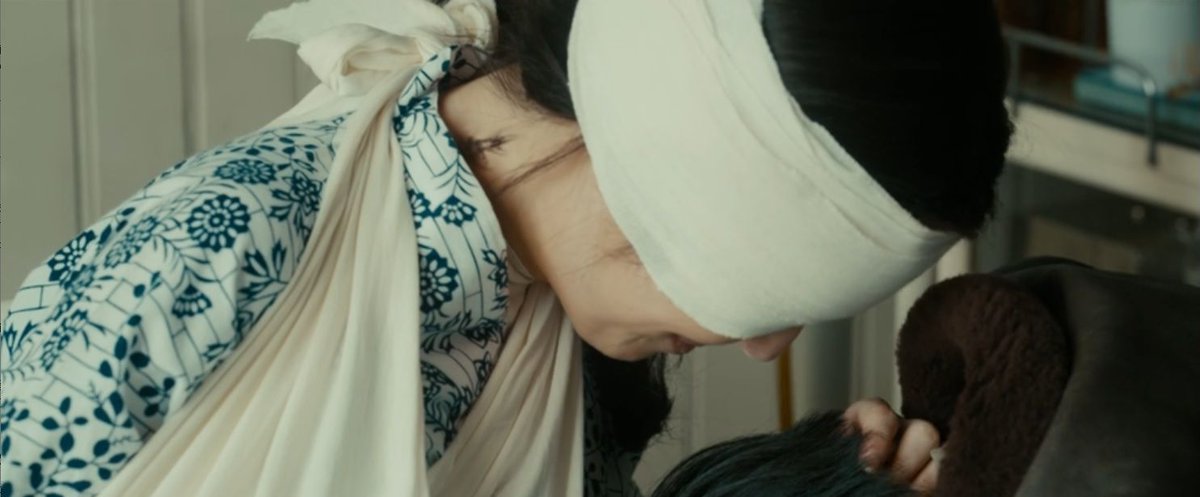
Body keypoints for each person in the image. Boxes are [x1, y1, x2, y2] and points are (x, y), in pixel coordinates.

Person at [0, 0, 1011, 495]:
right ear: (672, 167)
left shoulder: (548, 323)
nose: (761, 346)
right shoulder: (215, 251)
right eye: (764, 290)